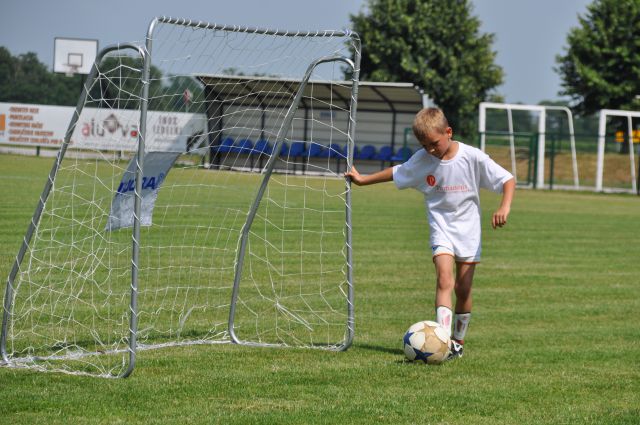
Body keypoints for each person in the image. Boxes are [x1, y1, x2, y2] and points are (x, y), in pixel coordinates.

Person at [345, 107, 515, 360]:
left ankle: (458, 341)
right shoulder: (423, 159)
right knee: (445, 280)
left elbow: (507, 179)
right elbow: (396, 172)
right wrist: (363, 179)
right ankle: (442, 343)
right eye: (425, 146)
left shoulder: (472, 156)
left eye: (434, 144)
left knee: (464, 288)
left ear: (448, 132)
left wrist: (504, 206)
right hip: (441, 228)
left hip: (469, 231)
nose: (430, 150)